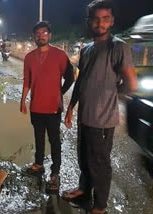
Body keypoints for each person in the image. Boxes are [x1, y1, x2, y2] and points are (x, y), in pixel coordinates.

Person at [63, 1, 137, 213]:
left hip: (102, 120)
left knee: (100, 164)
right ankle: (84, 190)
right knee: (84, 158)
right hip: (84, 116)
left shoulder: (118, 47)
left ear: (112, 21)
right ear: (89, 21)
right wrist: (70, 108)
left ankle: (100, 205)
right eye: (96, 18)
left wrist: (112, 95)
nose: (100, 23)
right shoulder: (86, 49)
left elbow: (131, 84)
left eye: (105, 18)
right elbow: (81, 81)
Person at [20, 21, 74, 192]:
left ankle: (55, 173)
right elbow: (27, 81)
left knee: (54, 140)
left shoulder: (60, 55)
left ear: (49, 35)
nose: (41, 36)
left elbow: (70, 77)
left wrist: (60, 92)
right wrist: (22, 100)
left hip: (53, 107)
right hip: (36, 106)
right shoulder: (29, 57)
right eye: (37, 33)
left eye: (44, 33)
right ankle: (38, 164)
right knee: (38, 137)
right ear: (34, 36)